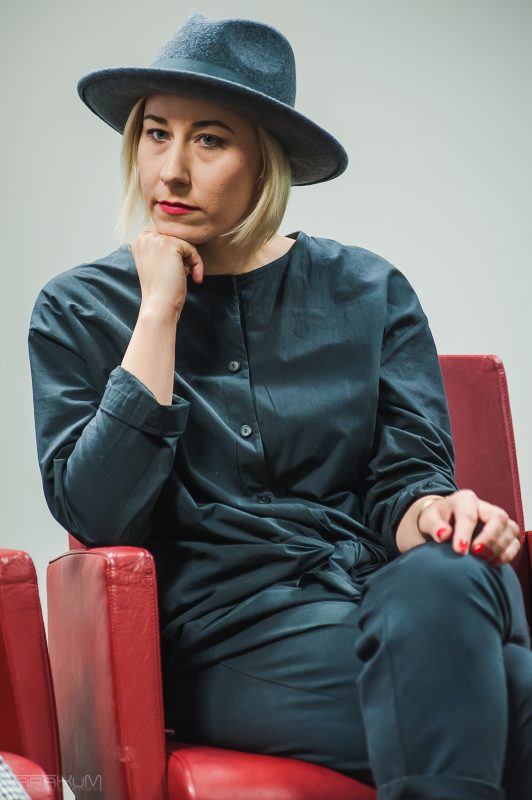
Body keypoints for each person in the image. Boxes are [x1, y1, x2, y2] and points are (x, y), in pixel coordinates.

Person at [27, 12, 532, 800]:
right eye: (156, 134)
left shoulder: (370, 291)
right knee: (510, 691)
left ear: (267, 162)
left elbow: (404, 486)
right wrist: (158, 313)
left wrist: (439, 515)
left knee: (450, 573)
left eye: (209, 141)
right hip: (235, 640)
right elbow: (100, 515)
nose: (171, 172)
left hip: (396, 601)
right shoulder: (80, 309)